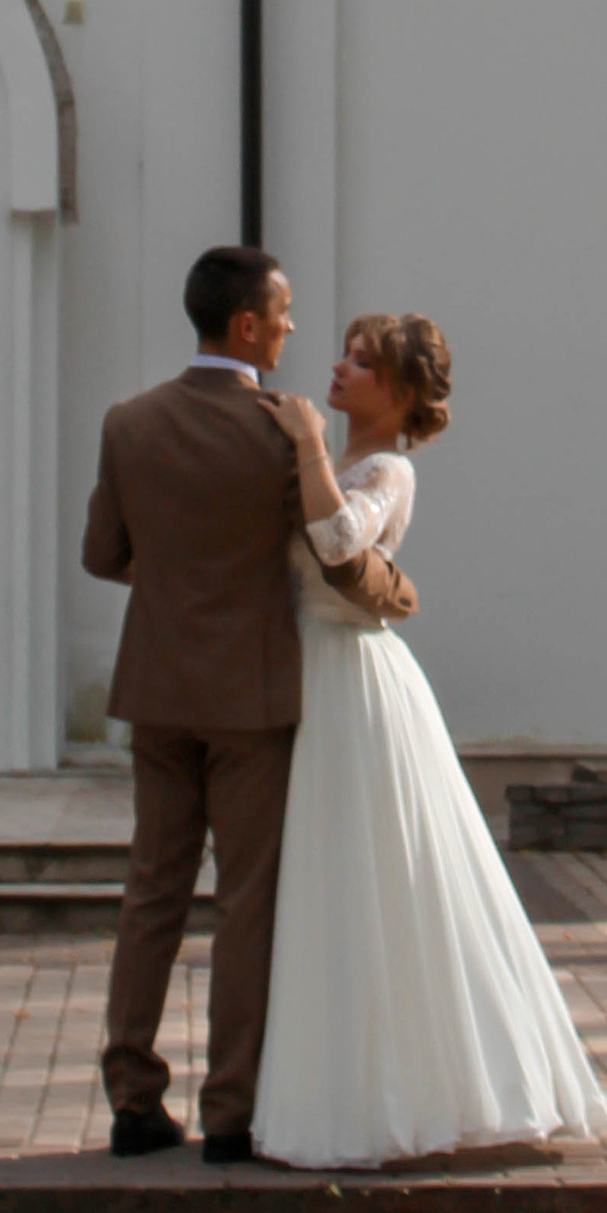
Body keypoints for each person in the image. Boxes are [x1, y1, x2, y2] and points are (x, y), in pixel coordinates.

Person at [81, 245, 417, 1163]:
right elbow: (323, 549)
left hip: (157, 686)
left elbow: (103, 555)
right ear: (247, 326)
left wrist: (177, 583)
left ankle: (131, 1097)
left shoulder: (128, 422)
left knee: (152, 889)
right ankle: (230, 1109)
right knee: (246, 901)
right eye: (284, 312)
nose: (293, 327)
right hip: (254, 695)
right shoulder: (281, 431)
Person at [253, 314, 607, 1169]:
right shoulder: (330, 461)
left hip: (357, 682)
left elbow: (341, 543)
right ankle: (332, 1084)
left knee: (382, 883)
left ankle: (420, 1092)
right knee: (321, 884)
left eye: (364, 362)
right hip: (300, 674)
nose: (340, 368)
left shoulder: (387, 471)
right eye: (344, 353)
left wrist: (304, 444)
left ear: (403, 394)